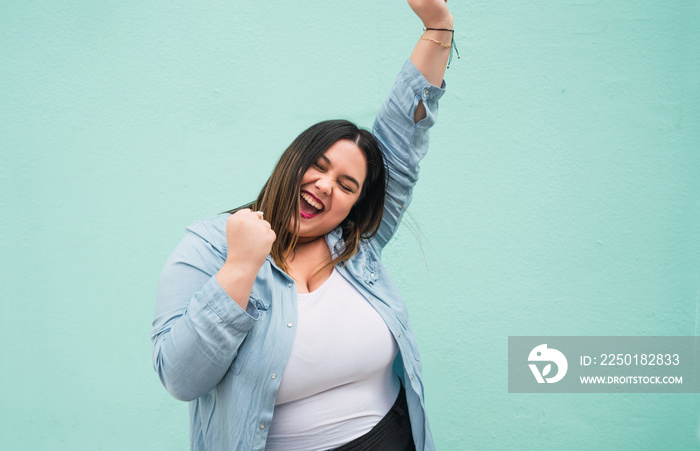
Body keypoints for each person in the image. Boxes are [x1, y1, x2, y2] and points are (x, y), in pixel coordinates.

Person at [152, 1, 454, 449]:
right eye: (318, 165)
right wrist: (239, 269)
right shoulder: (211, 245)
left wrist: (438, 27)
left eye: (347, 185)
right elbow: (180, 377)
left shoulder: (359, 243)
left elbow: (401, 143)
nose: (326, 186)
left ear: (355, 204)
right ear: (292, 161)